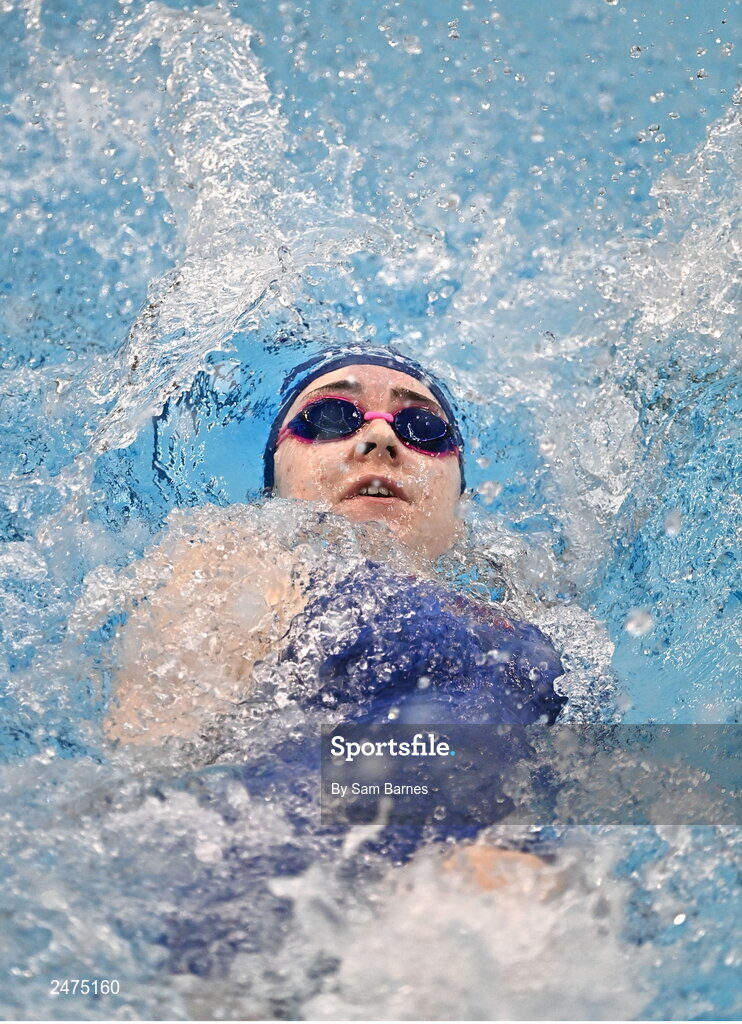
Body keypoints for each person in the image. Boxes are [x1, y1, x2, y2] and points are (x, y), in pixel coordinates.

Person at [106, 345, 566, 745]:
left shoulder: (528, 610)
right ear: (274, 487)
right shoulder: (242, 563)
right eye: (330, 417)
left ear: (461, 505)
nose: (382, 436)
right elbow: (157, 752)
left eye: (422, 426)